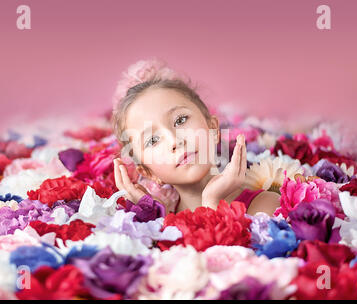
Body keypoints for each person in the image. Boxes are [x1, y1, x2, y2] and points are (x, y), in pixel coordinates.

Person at [111, 59, 280, 216]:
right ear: (148, 172)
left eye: (180, 120)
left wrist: (212, 202)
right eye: (153, 140)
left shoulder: (263, 205)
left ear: (212, 127)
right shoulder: (162, 230)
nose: (175, 140)